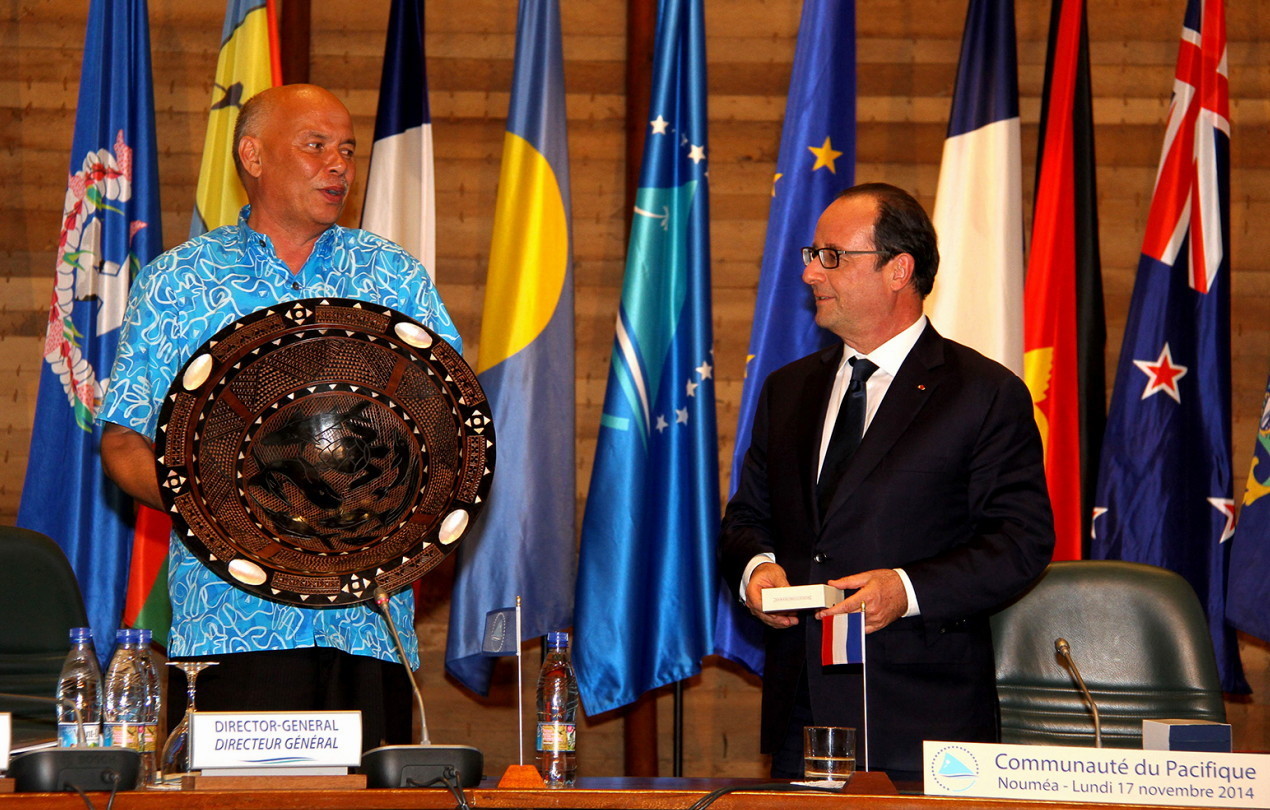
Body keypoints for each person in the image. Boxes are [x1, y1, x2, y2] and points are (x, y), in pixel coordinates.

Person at [98, 84, 461, 750]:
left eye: (346, 150)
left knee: (371, 798)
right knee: (241, 798)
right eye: (315, 146)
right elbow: (123, 440)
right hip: (229, 625)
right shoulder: (177, 283)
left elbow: (453, 427)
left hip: (367, 626)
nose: (338, 165)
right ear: (253, 155)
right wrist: (218, 509)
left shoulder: (395, 277)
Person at [718, 182, 1054, 781]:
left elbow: (1019, 543)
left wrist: (905, 588)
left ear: (899, 270)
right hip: (803, 714)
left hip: (923, 720)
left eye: (832, 256)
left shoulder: (982, 393)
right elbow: (747, 517)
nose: (810, 274)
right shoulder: (788, 390)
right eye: (811, 255)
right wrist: (756, 570)